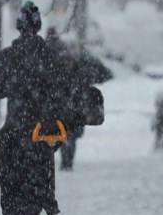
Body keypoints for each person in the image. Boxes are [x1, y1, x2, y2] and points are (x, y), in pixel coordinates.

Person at [0, 2, 69, 215]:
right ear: (37, 26)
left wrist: (16, 78)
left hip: (14, 139)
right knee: (30, 202)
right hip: (40, 140)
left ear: (19, 27)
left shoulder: (9, 57)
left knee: (15, 204)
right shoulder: (50, 57)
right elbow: (62, 95)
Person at [45, 27, 113, 170]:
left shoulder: (77, 75)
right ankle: (66, 163)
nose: (67, 65)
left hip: (72, 113)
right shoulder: (62, 76)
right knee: (66, 138)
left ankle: (68, 163)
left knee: (69, 139)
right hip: (66, 114)